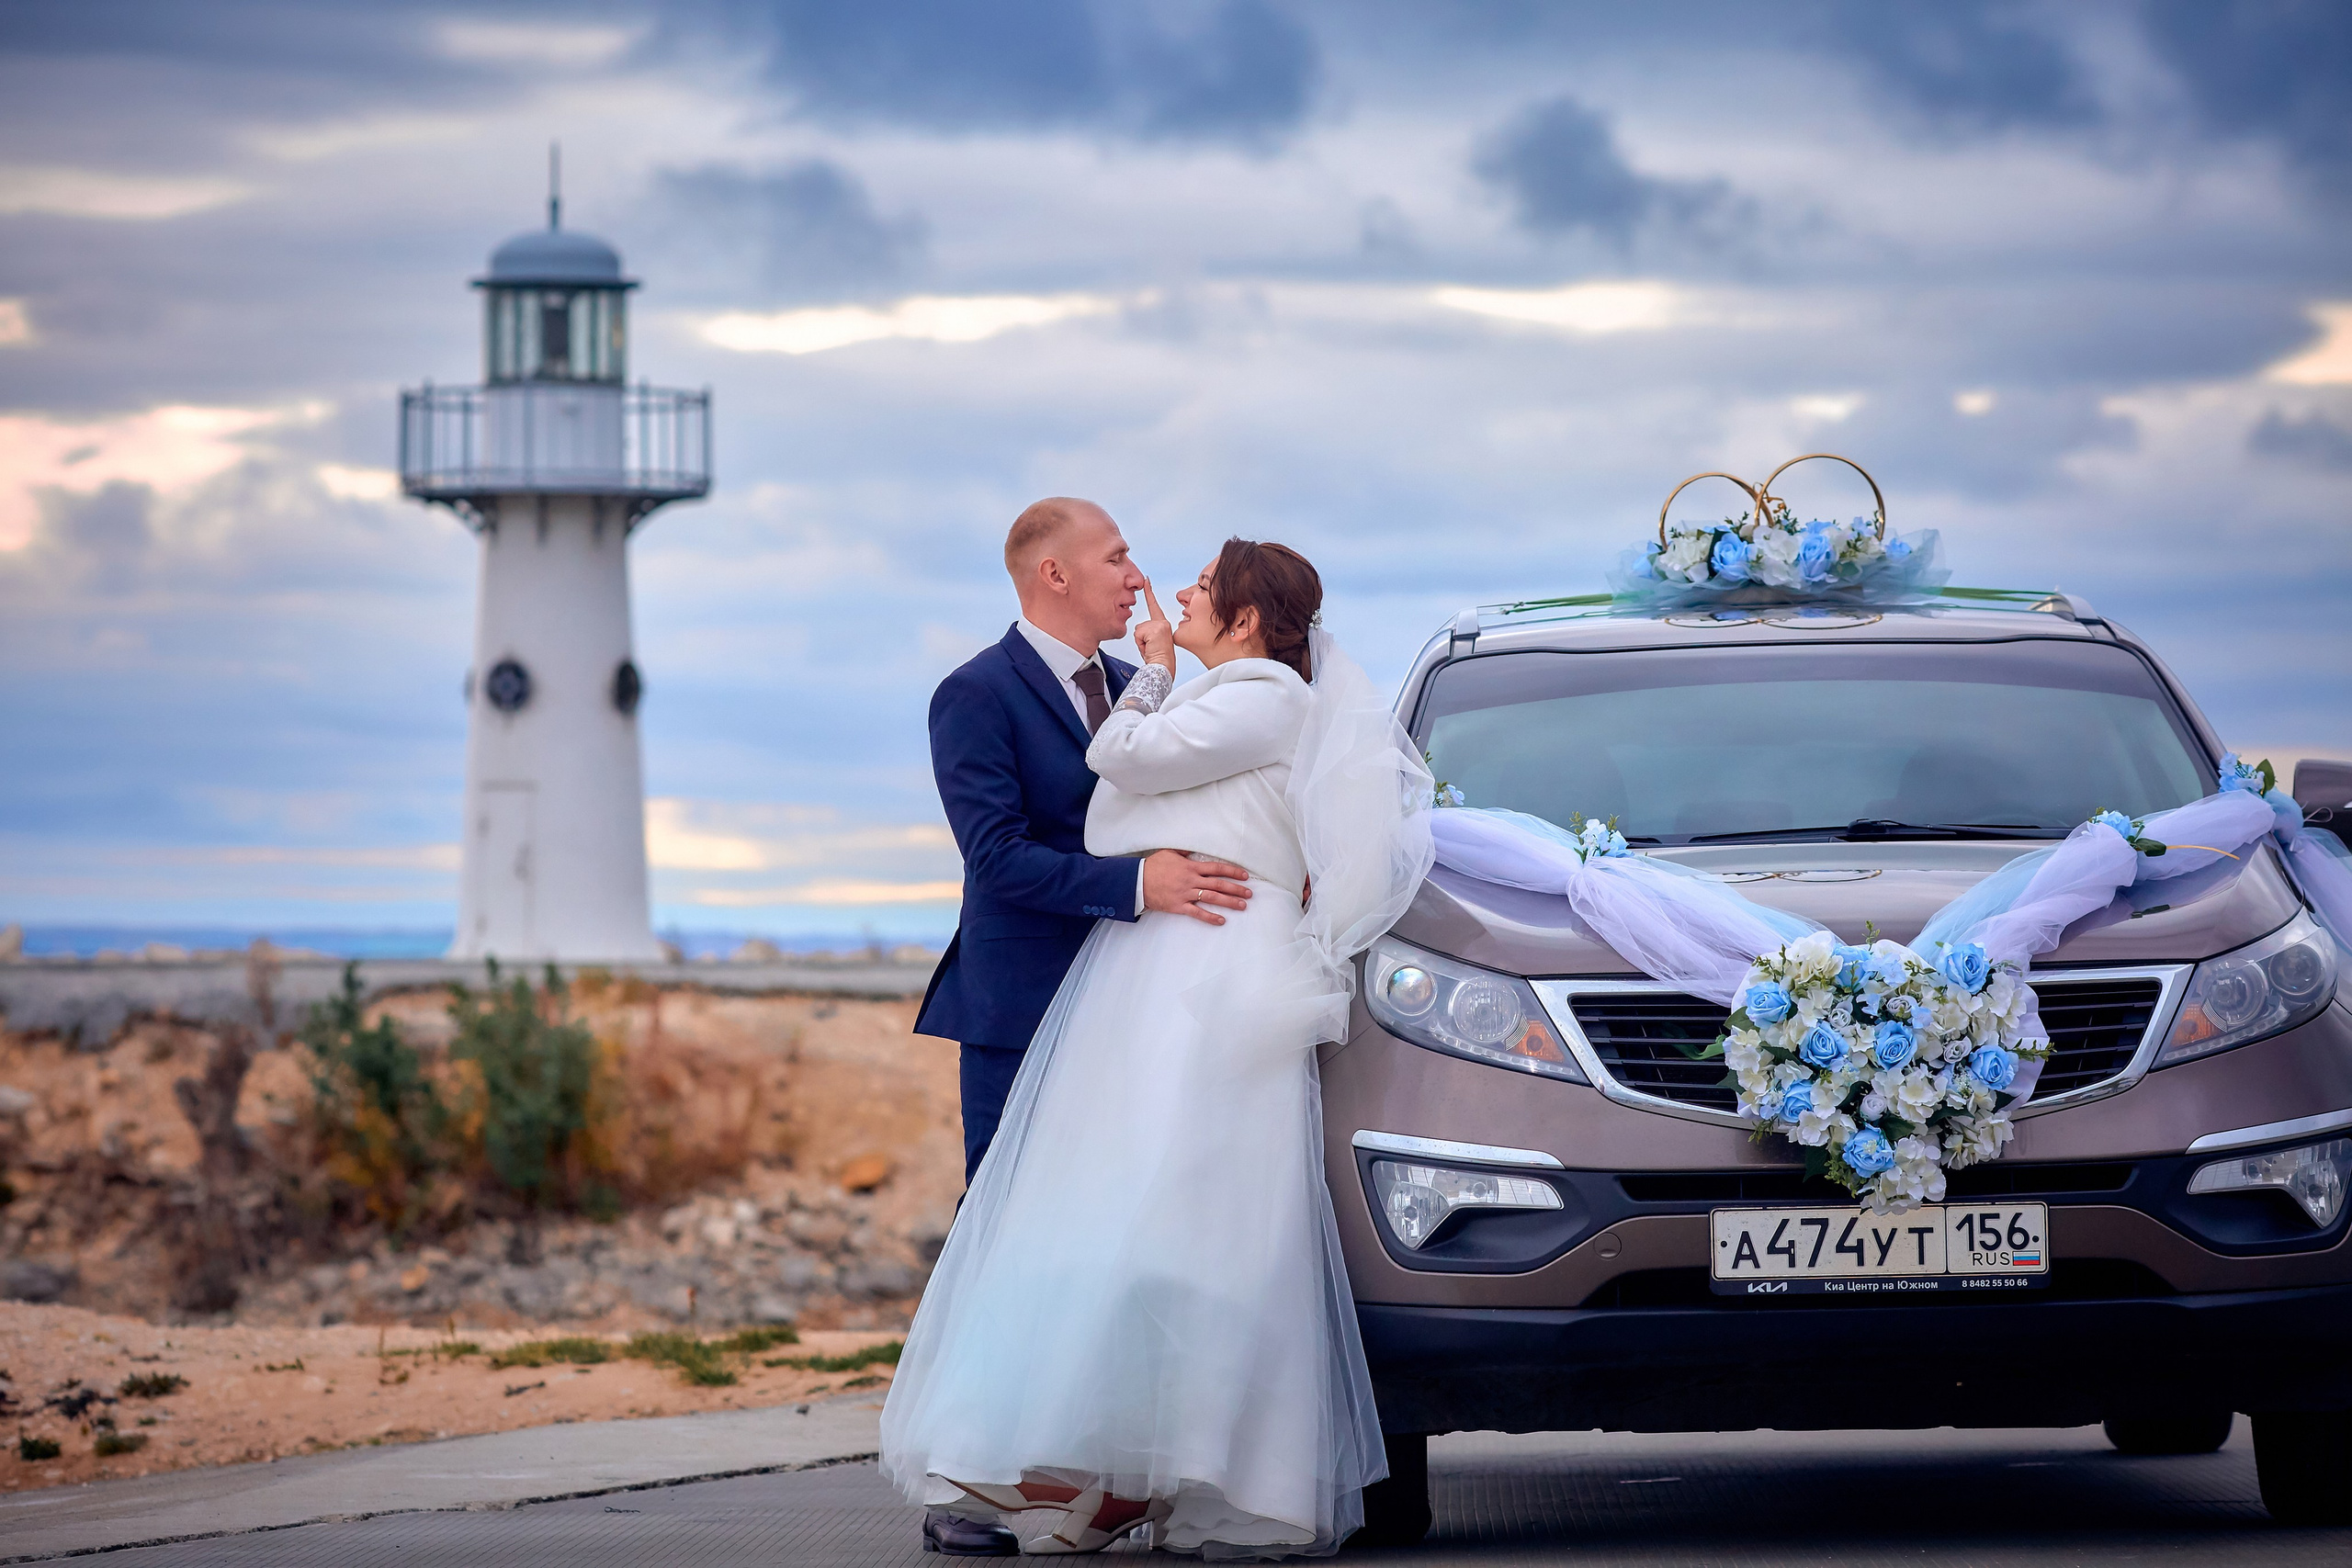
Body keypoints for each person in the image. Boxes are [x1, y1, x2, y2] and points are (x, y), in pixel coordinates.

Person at [885, 538, 1435, 1557]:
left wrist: (1153, 678)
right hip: (1168, 957)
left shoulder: (1262, 695)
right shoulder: (1223, 698)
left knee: (1195, 1216)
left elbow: (1119, 763)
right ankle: (1118, 1467)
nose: (1172, 588)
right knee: (1140, 1209)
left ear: (1246, 621)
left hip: (1212, 968)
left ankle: (1172, 1465)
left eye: (1203, 586)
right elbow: (1113, 817)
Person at [913, 498, 1261, 1556]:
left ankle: (1106, 1476)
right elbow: (997, 857)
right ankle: (961, 1487)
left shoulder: (1137, 685)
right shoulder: (974, 693)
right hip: (1020, 1011)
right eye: (1115, 557)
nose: (1135, 575)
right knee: (1008, 1240)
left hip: (1134, 1019)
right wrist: (1138, 885)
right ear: (1053, 574)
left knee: (1120, 1245)